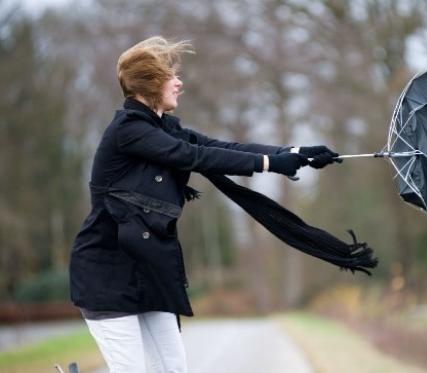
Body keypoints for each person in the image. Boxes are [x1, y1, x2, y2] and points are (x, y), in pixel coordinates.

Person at [68, 36, 341, 372]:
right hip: (106, 274)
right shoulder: (128, 131)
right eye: (171, 76)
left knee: (174, 368)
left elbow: (220, 146)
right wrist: (270, 166)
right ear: (151, 83)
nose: (179, 83)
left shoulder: (165, 127)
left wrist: (293, 153)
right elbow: (194, 156)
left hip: (149, 270)